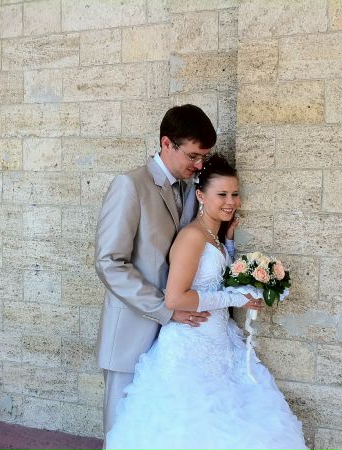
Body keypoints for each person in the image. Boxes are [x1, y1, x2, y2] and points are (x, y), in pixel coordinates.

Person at [105, 155, 308, 450]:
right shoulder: (191, 237)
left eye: (235, 194)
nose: (231, 202)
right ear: (201, 196)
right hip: (190, 344)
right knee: (194, 424)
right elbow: (176, 297)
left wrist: (229, 244)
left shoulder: (214, 237)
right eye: (222, 194)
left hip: (220, 341)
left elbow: (213, 277)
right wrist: (235, 297)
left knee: (230, 420)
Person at [94, 105, 223, 448]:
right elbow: (109, 262)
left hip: (173, 343)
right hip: (131, 334)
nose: (199, 165)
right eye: (193, 156)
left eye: (204, 157)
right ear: (167, 143)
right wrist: (165, 309)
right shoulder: (130, 185)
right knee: (124, 433)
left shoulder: (190, 188)